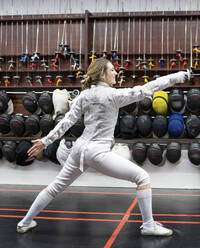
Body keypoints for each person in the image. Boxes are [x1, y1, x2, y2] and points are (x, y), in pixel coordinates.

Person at [17, 58, 189, 236]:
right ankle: (148, 225)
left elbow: (67, 121)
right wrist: (177, 76)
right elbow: (147, 89)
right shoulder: (113, 96)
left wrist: (45, 141)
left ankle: (25, 222)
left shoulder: (84, 95)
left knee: (55, 187)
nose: (116, 73)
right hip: (97, 151)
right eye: (112, 70)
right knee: (142, 178)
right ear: (102, 74)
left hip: (79, 148)